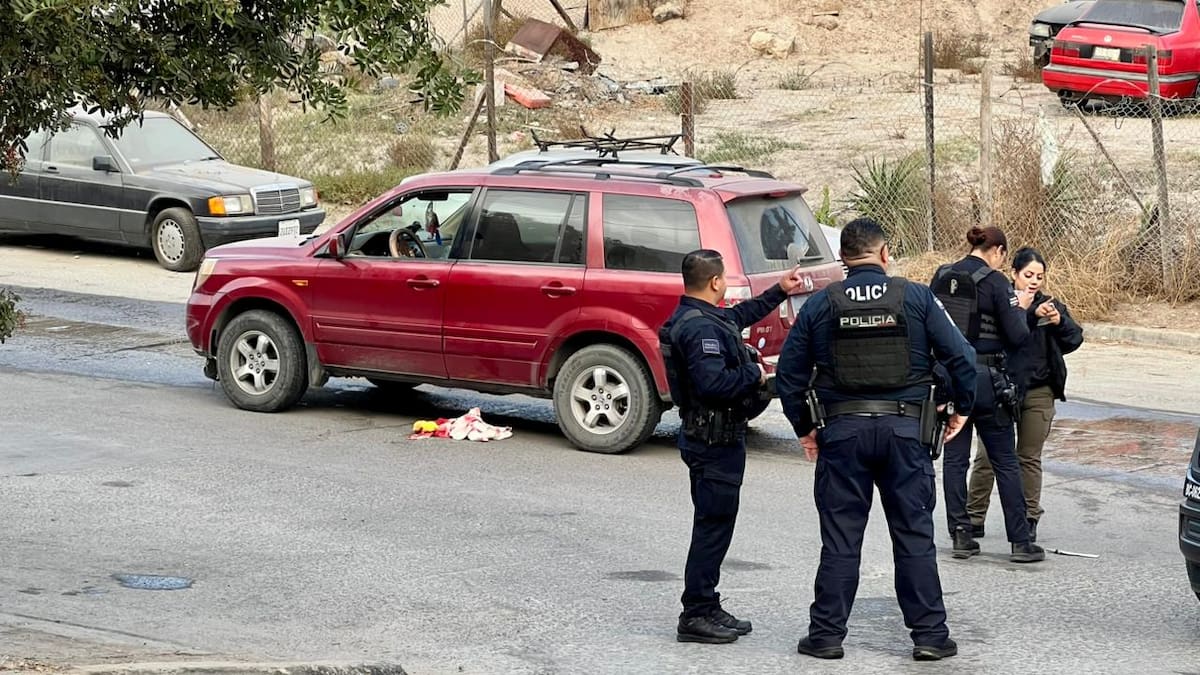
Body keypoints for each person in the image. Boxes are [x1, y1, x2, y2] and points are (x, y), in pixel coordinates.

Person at [777, 217, 976, 661]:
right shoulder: (916, 297)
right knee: (914, 538)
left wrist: (804, 428)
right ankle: (929, 637)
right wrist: (961, 409)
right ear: (885, 254)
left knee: (841, 540)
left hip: (842, 435)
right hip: (906, 434)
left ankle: (826, 636)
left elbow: (788, 374)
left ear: (842, 258)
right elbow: (962, 357)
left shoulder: (821, 303)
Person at [660, 249, 804, 644]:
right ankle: (695, 613)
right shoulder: (699, 329)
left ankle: (706, 604)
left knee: (716, 526)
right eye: (724, 278)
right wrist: (754, 373)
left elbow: (739, 316)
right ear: (715, 282)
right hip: (713, 441)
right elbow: (713, 384)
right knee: (712, 529)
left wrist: (779, 290)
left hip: (714, 438)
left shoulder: (701, 316)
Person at [930, 226, 1045, 563]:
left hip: (951, 377)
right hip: (987, 380)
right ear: (998, 251)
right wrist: (1022, 307)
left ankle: (961, 535)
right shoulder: (996, 282)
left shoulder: (942, 275)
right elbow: (1017, 335)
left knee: (955, 460)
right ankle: (1020, 542)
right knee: (1005, 460)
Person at [967, 247, 1084, 542]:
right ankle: (973, 518)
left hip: (1039, 391)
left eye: (1039, 277)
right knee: (986, 457)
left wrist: (1059, 321)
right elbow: (1007, 334)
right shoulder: (1002, 301)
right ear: (1014, 274)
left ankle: (1029, 518)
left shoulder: (1051, 305)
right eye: (1028, 275)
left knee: (1028, 458)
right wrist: (1029, 313)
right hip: (1002, 389)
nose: (1033, 281)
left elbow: (1074, 338)